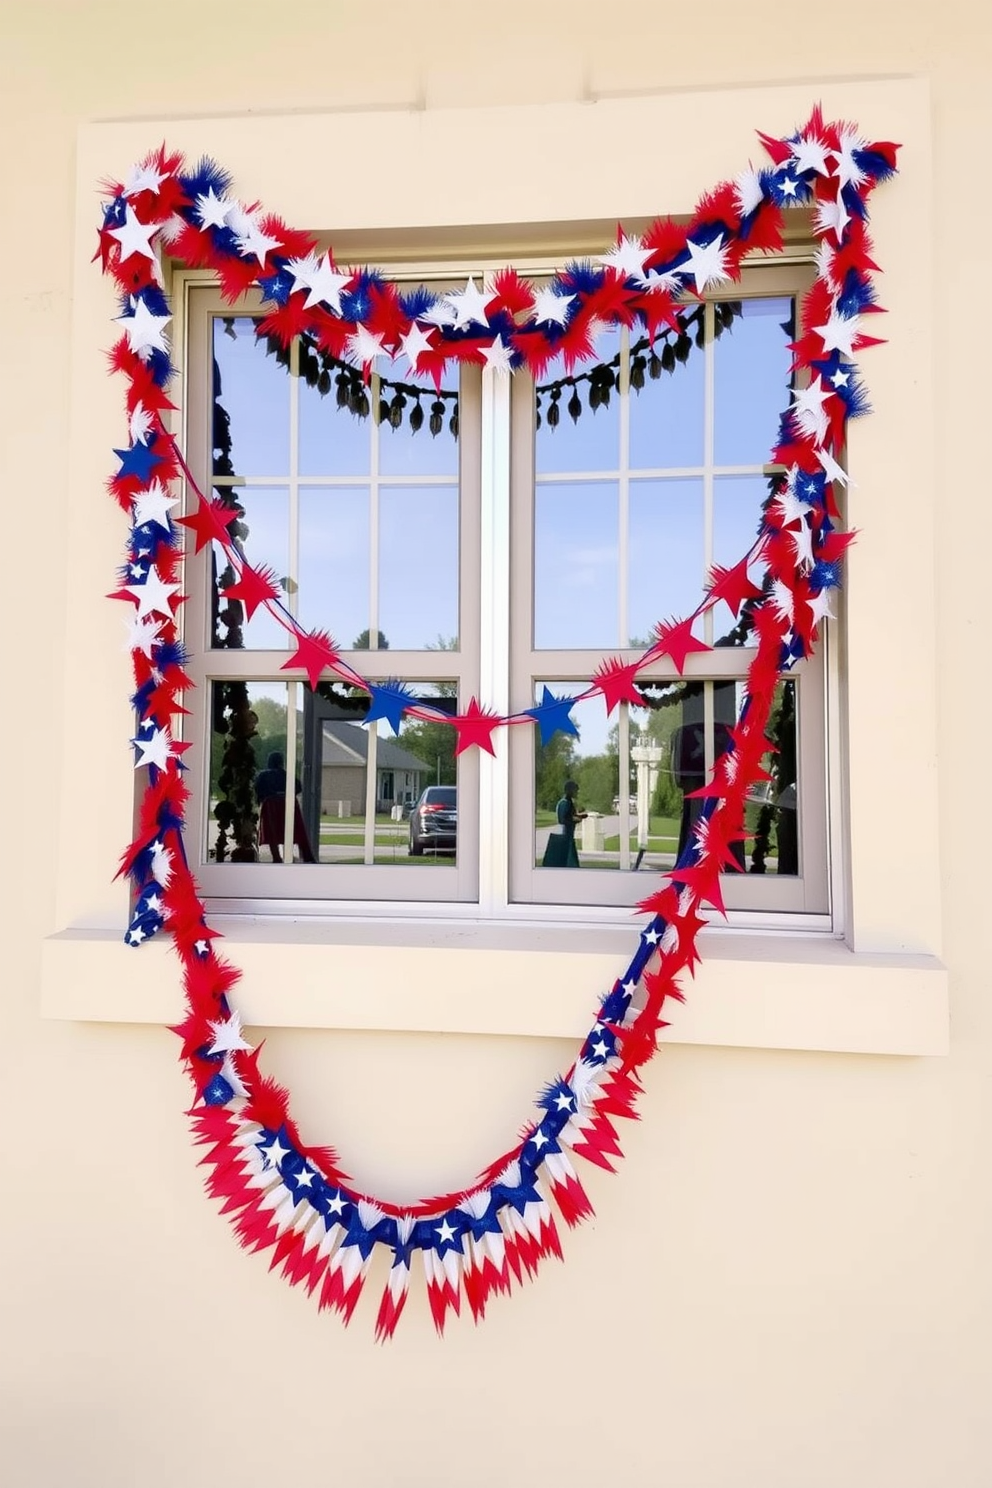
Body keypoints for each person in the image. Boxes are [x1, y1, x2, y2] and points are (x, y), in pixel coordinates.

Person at [254, 751, 317, 863]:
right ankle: (307, 856)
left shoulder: (263, 775)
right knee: (297, 830)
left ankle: (276, 857)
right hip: (288, 804)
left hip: (270, 805)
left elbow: (258, 789)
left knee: (271, 832)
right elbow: (298, 787)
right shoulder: (287, 775)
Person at [542, 779, 587, 867]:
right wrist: (576, 819)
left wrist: (580, 816)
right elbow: (564, 819)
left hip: (567, 836)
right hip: (565, 836)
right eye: (575, 790)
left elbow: (570, 816)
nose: (577, 792)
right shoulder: (565, 803)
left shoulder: (565, 802)